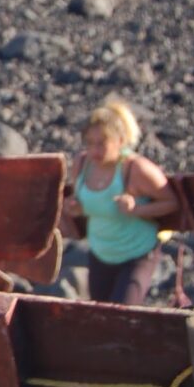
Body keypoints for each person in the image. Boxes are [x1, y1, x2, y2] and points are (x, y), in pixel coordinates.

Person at [63, 98, 179, 305]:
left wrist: (136, 209)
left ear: (120, 140)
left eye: (102, 143)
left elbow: (171, 203)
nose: (95, 150)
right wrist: (76, 208)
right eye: (89, 143)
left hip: (136, 253)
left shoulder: (135, 169)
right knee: (102, 315)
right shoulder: (82, 164)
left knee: (122, 315)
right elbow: (82, 203)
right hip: (101, 252)